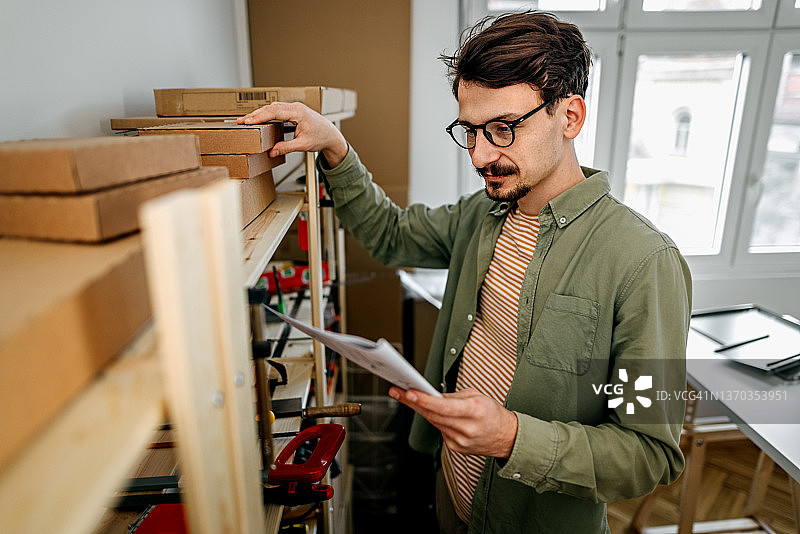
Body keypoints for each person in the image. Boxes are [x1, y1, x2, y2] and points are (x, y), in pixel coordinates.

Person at [239, 10, 692, 534]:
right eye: (470, 131)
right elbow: (390, 234)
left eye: (503, 129)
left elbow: (649, 454)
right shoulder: (484, 214)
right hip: (452, 493)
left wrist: (510, 438)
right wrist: (335, 146)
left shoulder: (644, 262)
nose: (480, 156)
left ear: (569, 117)